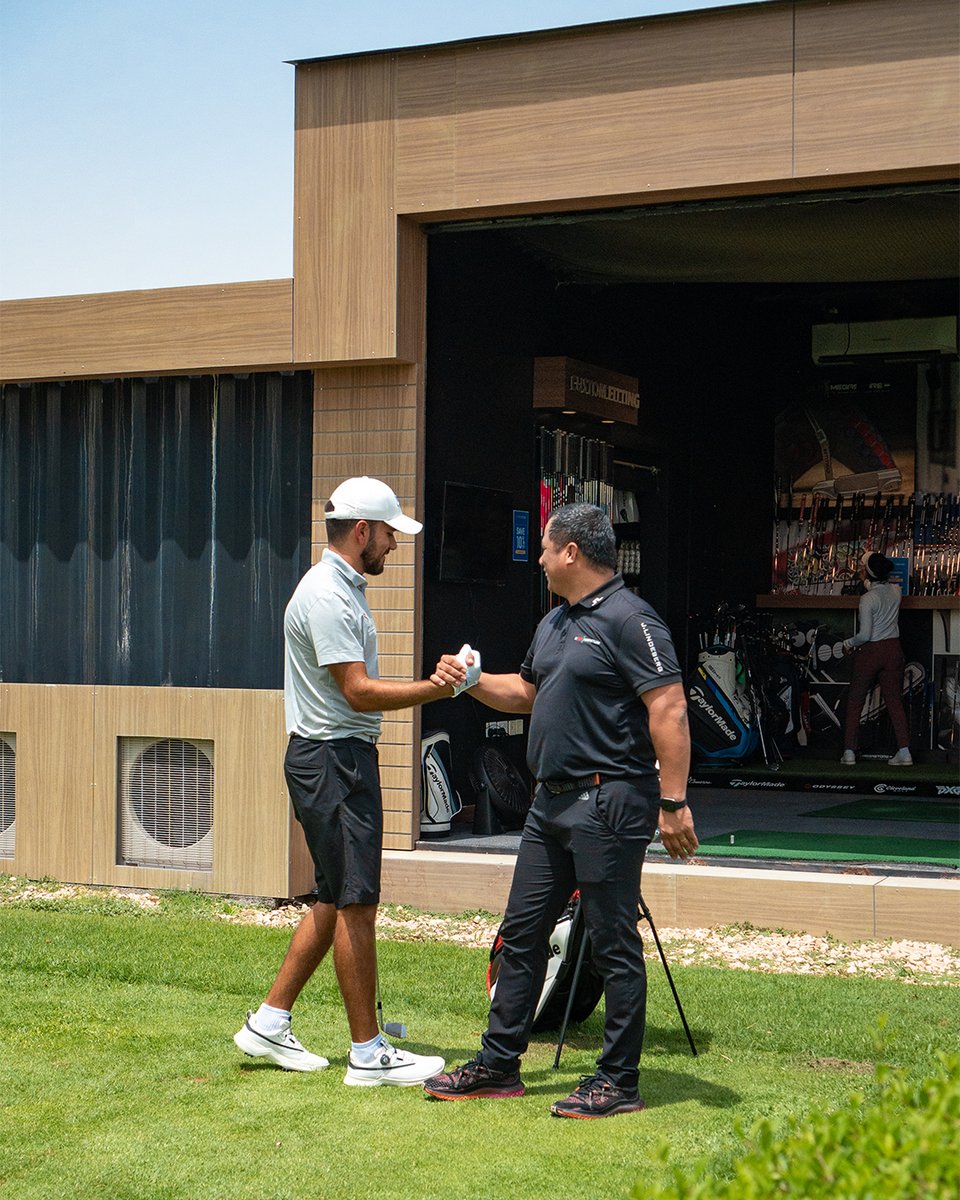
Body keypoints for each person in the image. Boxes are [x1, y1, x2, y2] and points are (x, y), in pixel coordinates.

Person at [423, 502, 697, 1119]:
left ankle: (617, 1082)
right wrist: (466, 680)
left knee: (610, 942)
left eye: (546, 548)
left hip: (609, 800)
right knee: (521, 935)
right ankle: (498, 1066)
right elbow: (525, 693)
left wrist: (673, 802)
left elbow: (670, 709)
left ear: (571, 552)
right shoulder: (553, 623)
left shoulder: (634, 620)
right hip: (549, 805)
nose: (539, 558)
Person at [234, 476, 454, 1086]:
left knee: (334, 898)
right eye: (388, 534)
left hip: (338, 760)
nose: (392, 545)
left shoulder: (342, 588)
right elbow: (356, 692)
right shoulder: (328, 595)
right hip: (333, 762)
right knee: (358, 900)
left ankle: (268, 1023)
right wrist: (438, 688)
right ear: (362, 531)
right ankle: (368, 1053)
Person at [840, 550, 912, 767]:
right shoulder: (896, 591)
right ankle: (904, 752)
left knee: (855, 702)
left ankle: (849, 752)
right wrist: (867, 577)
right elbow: (881, 589)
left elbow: (865, 635)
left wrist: (848, 643)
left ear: (868, 573)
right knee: (894, 702)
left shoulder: (866, 599)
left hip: (871, 652)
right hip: (893, 650)